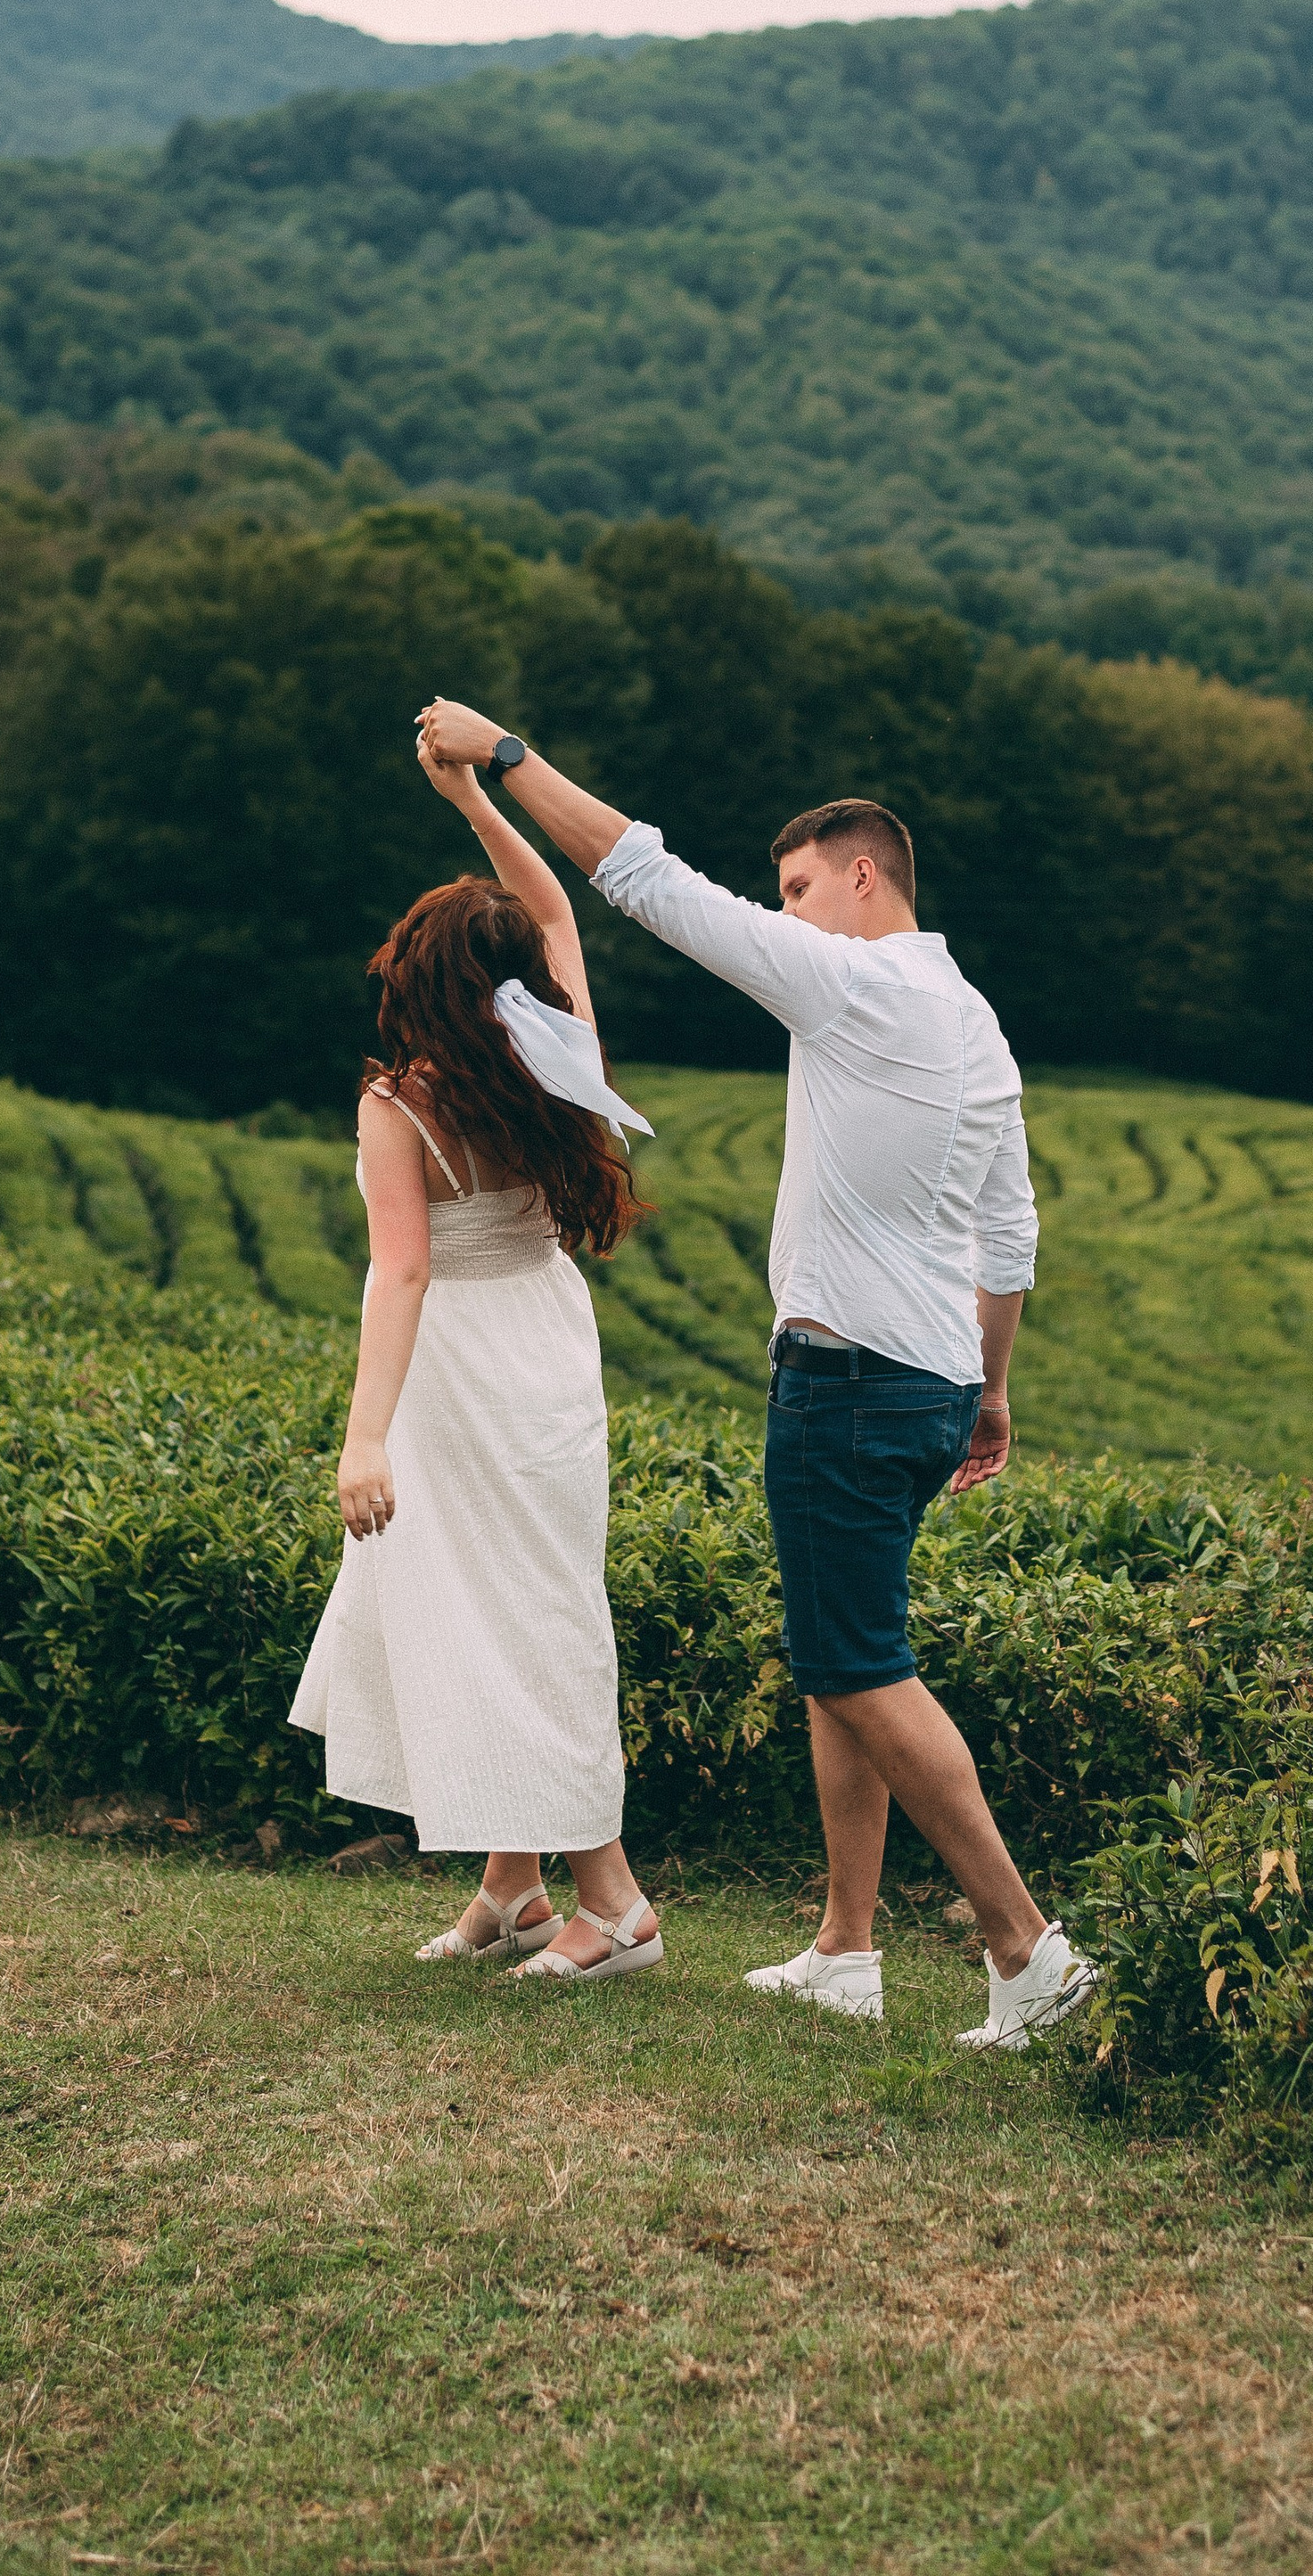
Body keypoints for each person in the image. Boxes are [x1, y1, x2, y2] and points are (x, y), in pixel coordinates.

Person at [416, 699, 1096, 2054]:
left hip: (846, 1381)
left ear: (862, 875)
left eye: (797, 889)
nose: (784, 915)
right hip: (931, 1382)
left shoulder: (851, 982)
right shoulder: (975, 1019)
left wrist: (504, 761)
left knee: (858, 1663)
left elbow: (647, 881)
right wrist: (994, 1389)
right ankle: (847, 1948)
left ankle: (1029, 1950)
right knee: (848, 1653)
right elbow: (1010, 1231)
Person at [288, 746, 665, 1990]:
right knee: (529, 1597)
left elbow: (400, 1276)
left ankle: (614, 1905)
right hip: (549, 1349)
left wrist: (363, 1441)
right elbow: (554, 908)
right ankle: (513, 1885)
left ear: (422, 981)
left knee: (512, 1618)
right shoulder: (555, 1056)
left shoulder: (402, 1104)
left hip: (455, 1365)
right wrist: (471, 797)